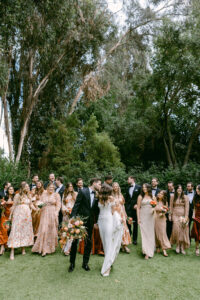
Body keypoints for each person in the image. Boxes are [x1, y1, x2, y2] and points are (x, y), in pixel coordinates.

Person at [68, 178, 101, 273]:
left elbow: (96, 210)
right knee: (75, 242)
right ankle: (72, 263)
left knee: (88, 242)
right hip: (79, 221)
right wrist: (72, 219)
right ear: (94, 183)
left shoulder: (97, 195)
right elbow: (76, 205)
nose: (100, 186)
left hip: (90, 221)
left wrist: (97, 222)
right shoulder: (83, 191)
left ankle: (85, 263)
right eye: (99, 184)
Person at [98, 184, 123, 277]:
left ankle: (107, 267)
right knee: (104, 243)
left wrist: (118, 220)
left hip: (108, 221)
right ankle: (108, 262)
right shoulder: (100, 198)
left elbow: (113, 211)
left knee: (108, 243)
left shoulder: (111, 199)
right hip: (101, 221)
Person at [7, 183, 35, 260]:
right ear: (23, 188)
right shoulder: (17, 195)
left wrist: (37, 209)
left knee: (24, 231)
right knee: (15, 231)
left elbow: (31, 205)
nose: (28, 187)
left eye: (28, 186)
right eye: (27, 186)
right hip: (18, 215)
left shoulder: (29, 195)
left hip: (27, 216)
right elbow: (14, 205)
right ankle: (12, 251)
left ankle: (23, 248)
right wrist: (10, 216)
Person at [32, 183, 61, 256]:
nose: (51, 189)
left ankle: (50, 248)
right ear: (47, 188)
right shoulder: (43, 194)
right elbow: (40, 203)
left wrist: (56, 212)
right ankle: (43, 249)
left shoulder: (56, 195)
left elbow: (58, 204)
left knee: (51, 230)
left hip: (52, 213)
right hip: (44, 213)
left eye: (52, 187)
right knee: (44, 230)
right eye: (50, 187)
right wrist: (38, 207)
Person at [170, 184, 190, 255]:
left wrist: (186, 217)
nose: (179, 189)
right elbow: (171, 207)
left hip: (183, 216)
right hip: (175, 215)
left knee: (183, 231)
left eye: (181, 188)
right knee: (176, 230)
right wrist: (170, 215)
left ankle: (182, 247)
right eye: (178, 188)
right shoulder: (172, 197)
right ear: (176, 189)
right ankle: (177, 245)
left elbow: (187, 208)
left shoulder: (185, 197)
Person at [137, 183, 155, 259]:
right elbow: (138, 208)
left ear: (148, 188)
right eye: (143, 187)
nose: (144, 189)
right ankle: (146, 252)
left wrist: (154, 209)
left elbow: (155, 206)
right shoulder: (140, 196)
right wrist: (138, 218)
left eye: (145, 187)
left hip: (150, 216)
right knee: (144, 234)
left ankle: (150, 249)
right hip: (143, 216)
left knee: (150, 233)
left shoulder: (153, 196)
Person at [112, 182, 131, 253]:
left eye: (117, 186)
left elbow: (123, 205)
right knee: (117, 228)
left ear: (118, 187)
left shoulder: (121, 195)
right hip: (115, 214)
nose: (115, 188)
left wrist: (125, 214)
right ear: (112, 187)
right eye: (114, 186)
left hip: (121, 213)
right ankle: (118, 245)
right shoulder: (111, 196)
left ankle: (124, 245)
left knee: (123, 228)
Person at [62, 183, 78, 255]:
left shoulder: (75, 194)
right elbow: (63, 204)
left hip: (73, 214)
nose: (71, 188)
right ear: (67, 187)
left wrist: (72, 211)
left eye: (72, 186)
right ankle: (64, 246)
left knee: (71, 231)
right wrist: (66, 210)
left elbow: (77, 204)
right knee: (65, 230)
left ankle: (67, 249)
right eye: (69, 186)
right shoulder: (64, 195)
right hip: (66, 214)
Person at [125, 176, 141, 245]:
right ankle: (128, 238)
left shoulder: (139, 187)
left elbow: (141, 197)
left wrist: (137, 204)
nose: (127, 180)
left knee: (135, 225)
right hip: (128, 208)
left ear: (133, 179)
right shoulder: (127, 188)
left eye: (128, 179)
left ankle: (135, 239)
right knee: (128, 223)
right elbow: (126, 198)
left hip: (135, 208)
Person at [155, 190, 171, 257]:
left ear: (164, 195)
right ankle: (157, 246)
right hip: (155, 218)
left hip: (162, 219)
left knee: (162, 232)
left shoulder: (165, 202)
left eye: (161, 194)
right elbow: (153, 208)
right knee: (156, 232)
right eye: (159, 193)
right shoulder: (155, 201)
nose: (159, 194)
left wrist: (163, 212)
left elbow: (166, 210)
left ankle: (164, 248)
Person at [0, 186, 14, 255]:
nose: (11, 190)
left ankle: (6, 245)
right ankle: (2, 246)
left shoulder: (15, 198)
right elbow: (2, 207)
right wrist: (2, 207)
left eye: (12, 189)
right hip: (5, 216)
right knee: (3, 228)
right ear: (8, 191)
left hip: (13, 217)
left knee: (9, 229)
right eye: (10, 189)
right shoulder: (4, 198)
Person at [191, 185, 200, 256]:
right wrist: (193, 215)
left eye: (197, 189)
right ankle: (197, 248)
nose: (196, 190)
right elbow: (194, 208)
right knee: (197, 233)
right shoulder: (195, 197)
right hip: (197, 217)